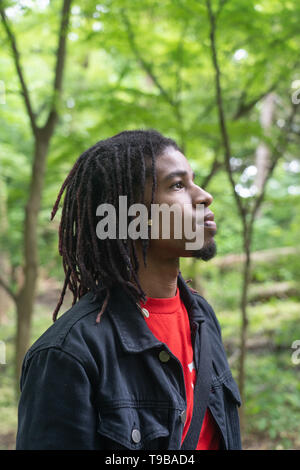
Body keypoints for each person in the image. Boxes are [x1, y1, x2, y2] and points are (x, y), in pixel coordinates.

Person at [16, 129, 242, 450]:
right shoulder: (68, 355)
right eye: (178, 185)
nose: (204, 196)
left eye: (194, 181)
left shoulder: (201, 317)